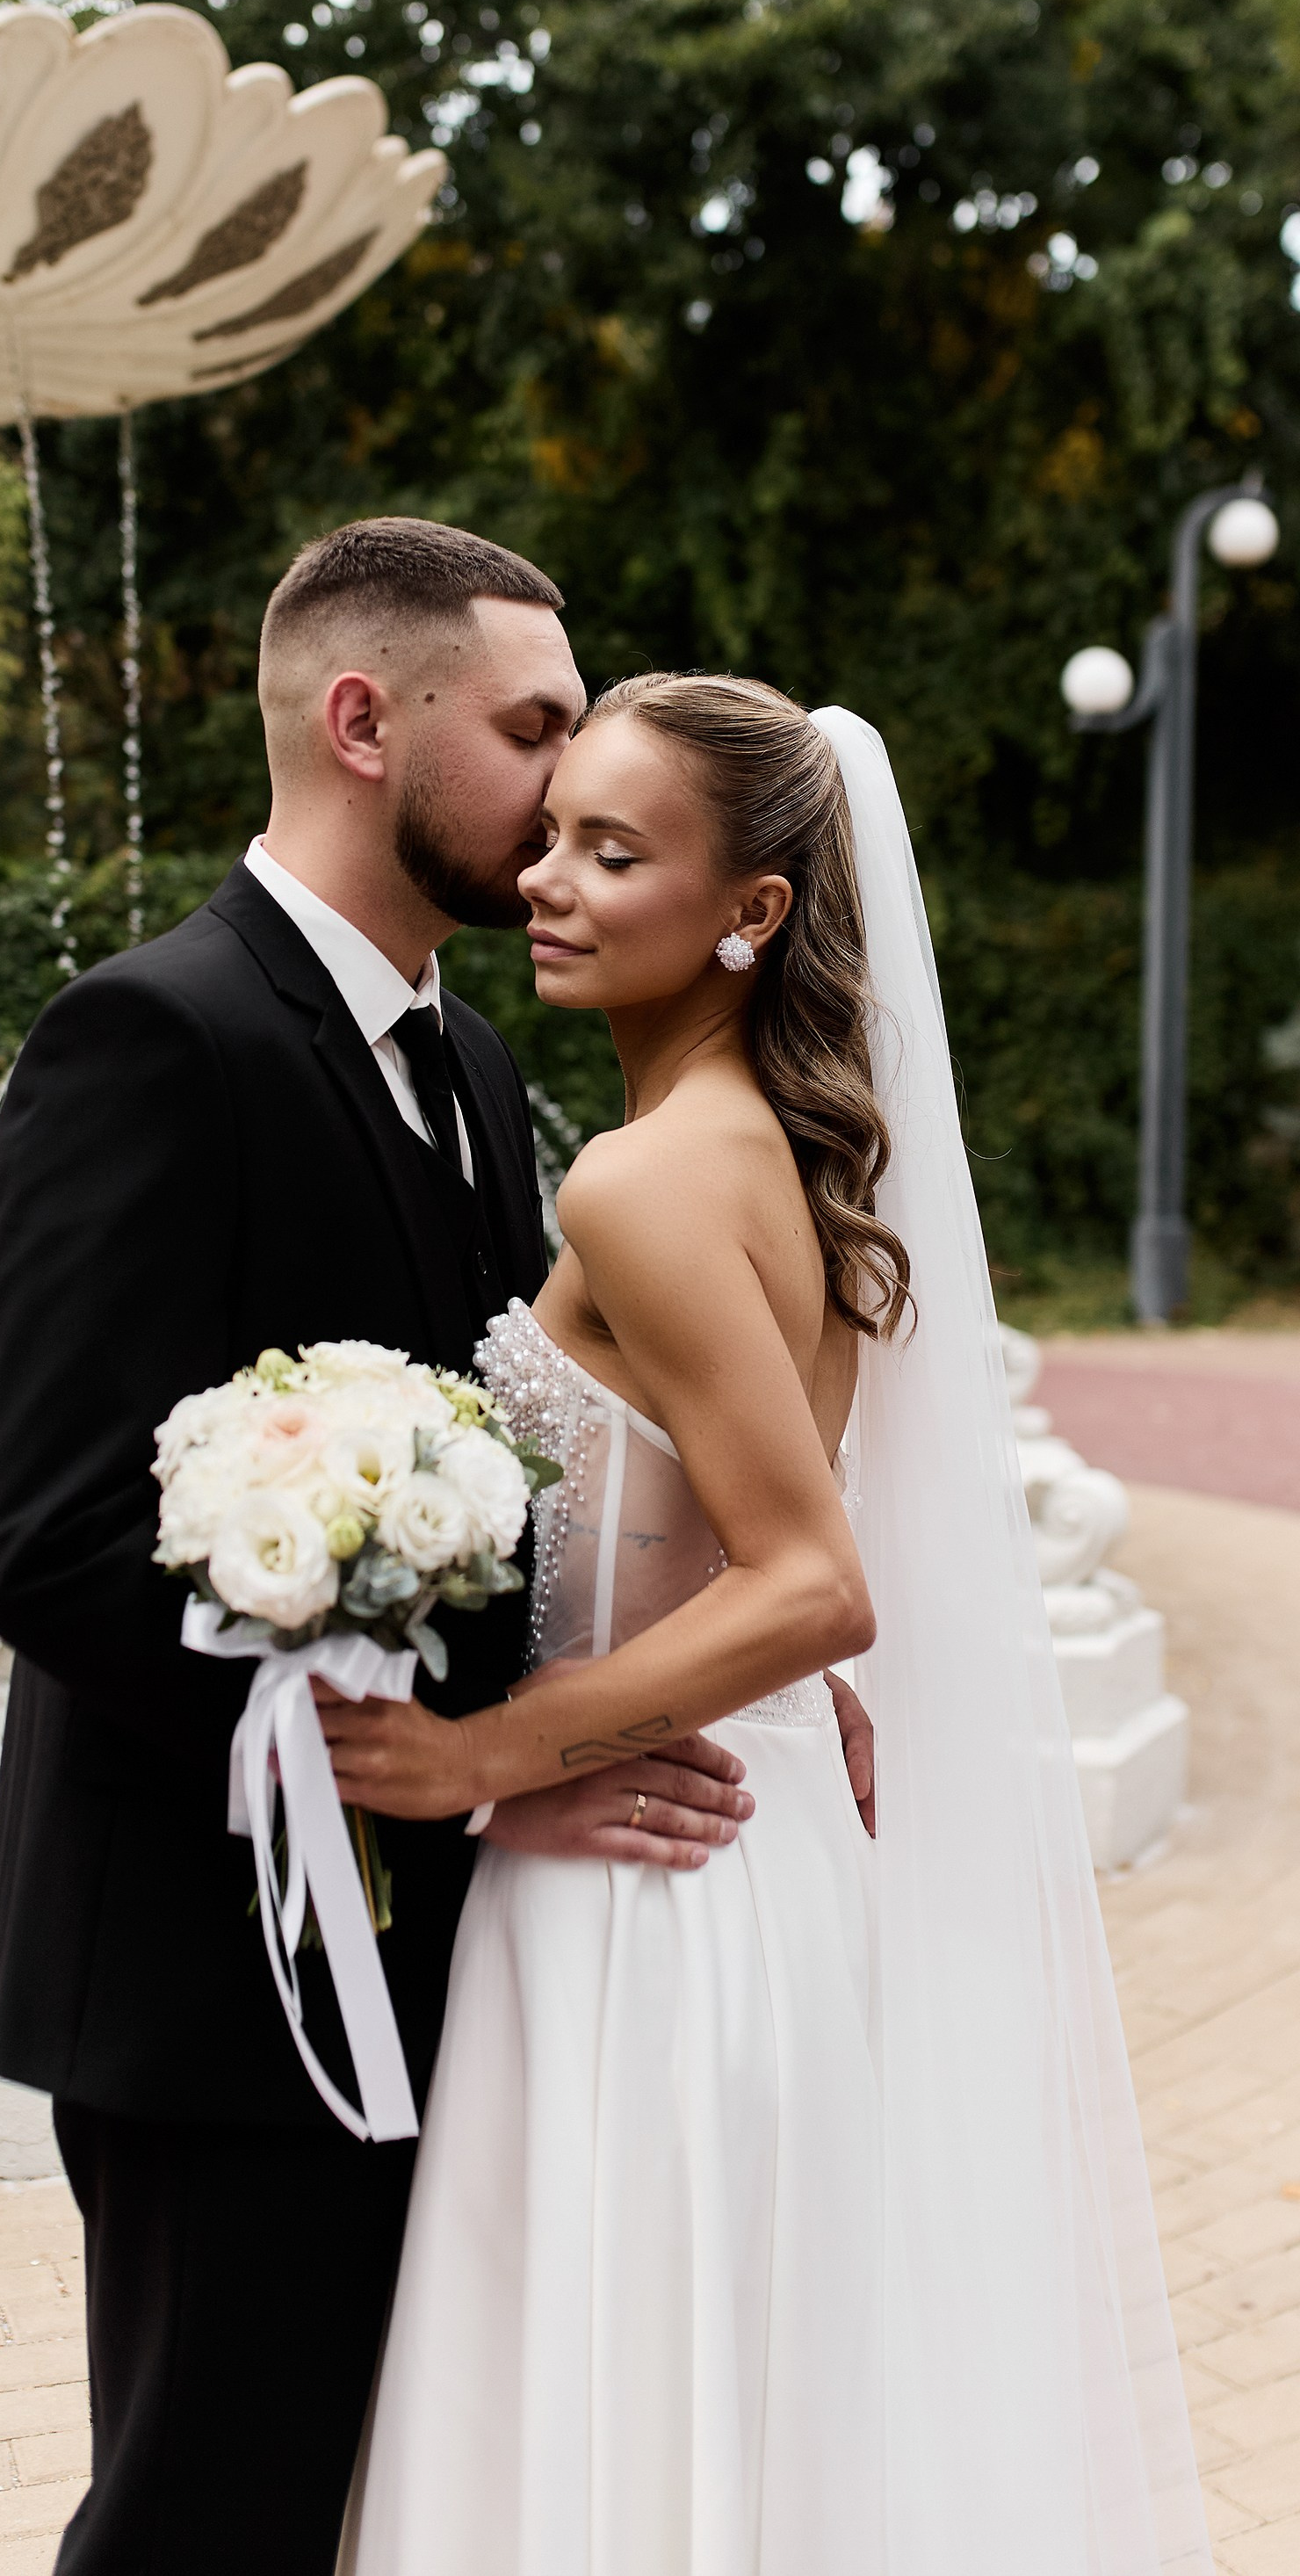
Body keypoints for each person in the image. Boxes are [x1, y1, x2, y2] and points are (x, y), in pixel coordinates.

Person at [0, 529, 858, 2576]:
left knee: (391, 2492)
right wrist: (473, 1769)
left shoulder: (468, 1064)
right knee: (209, 2513)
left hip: (444, 1946)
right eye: (536, 728)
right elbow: (53, 1539)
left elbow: (554, 1476)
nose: (565, 789)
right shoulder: (148, 1039)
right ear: (366, 723)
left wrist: (747, 1640)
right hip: (216, 1965)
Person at [328, 677, 1211, 2576]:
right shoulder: (771, 1152)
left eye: (612, 852)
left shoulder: (643, 1176)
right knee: (737, 2410)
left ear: (752, 913)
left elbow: (811, 1577)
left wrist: (480, 1758)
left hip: (654, 1887)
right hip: (752, 1844)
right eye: (556, 833)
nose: (544, 880)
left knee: (621, 2423)